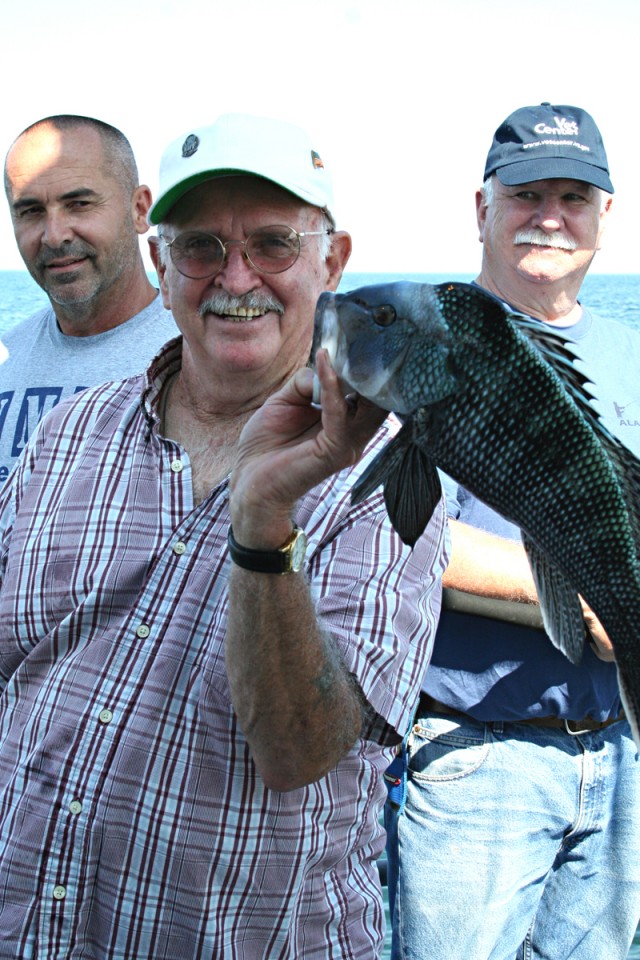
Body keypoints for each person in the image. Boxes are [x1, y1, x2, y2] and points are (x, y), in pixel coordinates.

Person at [0, 112, 448, 959]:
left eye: (273, 244)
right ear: (161, 265)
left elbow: (302, 751)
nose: (235, 277)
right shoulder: (68, 435)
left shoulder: (388, 472)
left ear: (334, 263)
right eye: (202, 248)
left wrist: (264, 525)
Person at [385, 102, 640, 960]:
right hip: (479, 756)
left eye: (575, 197)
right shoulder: (422, 340)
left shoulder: (631, 355)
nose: (550, 216)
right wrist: (598, 602)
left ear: (606, 214)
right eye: (527, 193)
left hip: (622, 755)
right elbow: (403, 538)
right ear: (482, 207)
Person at [0, 114, 177, 481]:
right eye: (31, 211)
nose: (54, 235)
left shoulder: (197, 358)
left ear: (139, 210)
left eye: (79, 204)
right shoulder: (7, 361)